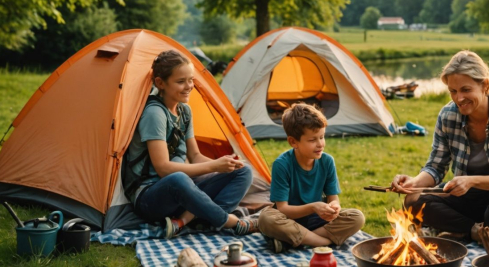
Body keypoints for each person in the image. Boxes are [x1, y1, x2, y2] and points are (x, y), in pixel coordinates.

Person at [390, 50, 489, 242]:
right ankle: (482, 231)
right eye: (453, 91)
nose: (458, 98)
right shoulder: (447, 115)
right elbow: (436, 167)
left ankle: (461, 228)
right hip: (467, 197)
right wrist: (414, 183)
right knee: (413, 201)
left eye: (465, 90)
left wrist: (471, 181)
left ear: (485, 85)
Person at [124, 50, 256, 239]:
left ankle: (187, 221)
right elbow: (162, 169)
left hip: (183, 190)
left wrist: (222, 165)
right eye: (181, 81)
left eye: (191, 80)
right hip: (150, 196)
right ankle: (229, 222)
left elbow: (195, 157)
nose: (189, 86)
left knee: (243, 171)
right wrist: (213, 166)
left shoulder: (184, 111)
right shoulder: (154, 113)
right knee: (179, 179)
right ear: (160, 83)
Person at [258, 104, 365, 253]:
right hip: (290, 220)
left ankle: (295, 242)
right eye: (312, 140)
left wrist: (334, 208)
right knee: (266, 219)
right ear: (293, 142)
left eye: (322, 137)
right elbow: (283, 209)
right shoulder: (282, 164)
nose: (320, 144)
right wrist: (313, 207)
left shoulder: (327, 161)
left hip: (317, 220)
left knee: (357, 217)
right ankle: (324, 242)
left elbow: (333, 198)